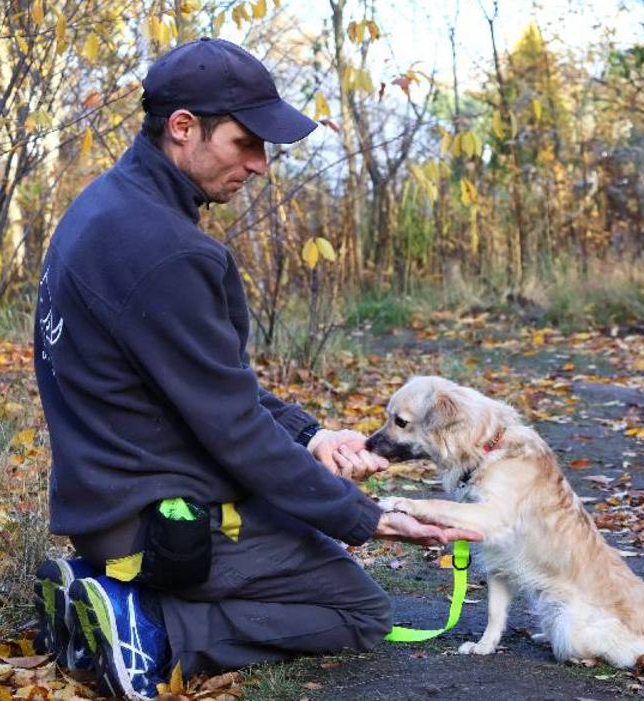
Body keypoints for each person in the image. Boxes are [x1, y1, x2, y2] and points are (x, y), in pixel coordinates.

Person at [32, 38, 478, 701]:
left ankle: (104, 597)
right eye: (246, 142)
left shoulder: (103, 208)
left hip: (106, 499)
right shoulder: (167, 252)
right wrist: (367, 516)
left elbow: (203, 384)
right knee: (358, 611)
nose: (261, 165)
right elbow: (235, 430)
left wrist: (310, 435)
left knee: (307, 539)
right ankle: (146, 624)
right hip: (159, 520)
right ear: (183, 127)